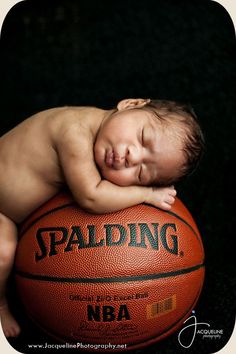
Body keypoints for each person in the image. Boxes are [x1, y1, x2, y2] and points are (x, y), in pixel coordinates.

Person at [0, 98, 204, 337]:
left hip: (7, 215)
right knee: (3, 253)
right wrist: (145, 193)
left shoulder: (97, 134)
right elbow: (91, 197)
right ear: (131, 104)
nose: (132, 157)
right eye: (142, 137)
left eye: (141, 173)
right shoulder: (73, 130)